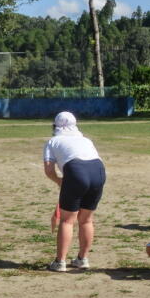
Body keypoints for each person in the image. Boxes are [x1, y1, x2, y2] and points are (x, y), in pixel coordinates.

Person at [43, 112, 106, 272]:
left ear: (55, 126)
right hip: (98, 171)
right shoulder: (85, 139)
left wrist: (59, 181)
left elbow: (49, 170)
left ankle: (60, 262)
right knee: (86, 220)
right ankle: (82, 259)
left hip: (76, 171)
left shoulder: (53, 141)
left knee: (67, 221)